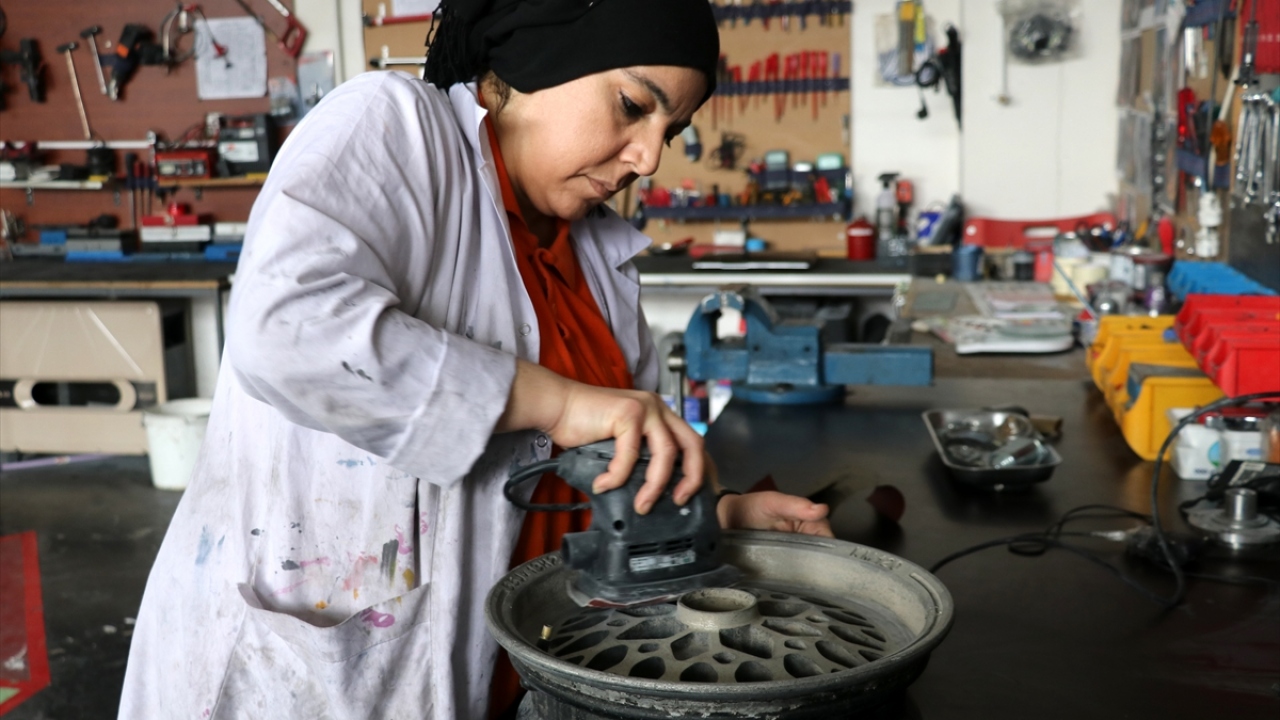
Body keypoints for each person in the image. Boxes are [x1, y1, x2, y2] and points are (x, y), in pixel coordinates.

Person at [118, 1, 831, 718]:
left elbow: (597, 482)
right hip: (313, 676)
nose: (647, 156)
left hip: (519, 671)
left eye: (667, 131)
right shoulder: (395, 127)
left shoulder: (599, 260)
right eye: (630, 106)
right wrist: (559, 401)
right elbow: (283, 327)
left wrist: (712, 519)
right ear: (535, 62)